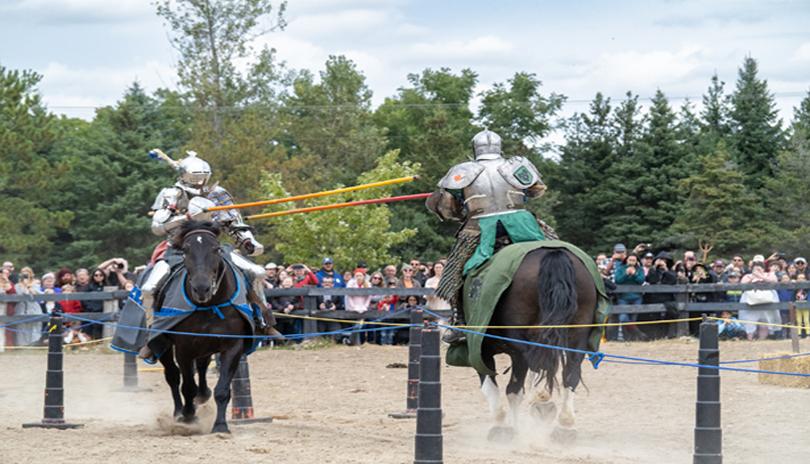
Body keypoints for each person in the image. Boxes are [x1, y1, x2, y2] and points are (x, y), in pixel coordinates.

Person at [138, 149, 280, 361]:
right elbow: (158, 226)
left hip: (214, 248)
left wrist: (248, 242)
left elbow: (234, 223)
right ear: (185, 175)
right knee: (149, 288)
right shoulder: (172, 194)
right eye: (195, 177)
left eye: (203, 177)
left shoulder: (219, 194)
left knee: (257, 272)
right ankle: (153, 335)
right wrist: (185, 217)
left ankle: (264, 322)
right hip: (178, 249)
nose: (200, 181)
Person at [425, 129, 556, 344]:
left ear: (474, 148)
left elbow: (447, 208)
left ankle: (460, 323)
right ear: (499, 146)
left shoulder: (462, 171)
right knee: (558, 246)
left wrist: (461, 209)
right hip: (521, 221)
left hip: (479, 225)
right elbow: (537, 190)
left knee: (454, 272)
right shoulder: (515, 165)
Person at [739, 260, 780, 340]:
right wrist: (753, 277)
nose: (757, 270)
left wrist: (761, 277)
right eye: (755, 269)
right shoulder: (748, 276)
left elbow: (774, 281)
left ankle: (762, 339)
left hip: (767, 300)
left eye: (759, 268)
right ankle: (750, 339)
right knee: (750, 320)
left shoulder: (769, 274)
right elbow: (742, 284)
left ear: (763, 269)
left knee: (765, 321)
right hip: (750, 300)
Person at [614, 254, 647, 341]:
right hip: (623, 297)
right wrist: (626, 274)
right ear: (626, 260)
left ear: (636, 261)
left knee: (633, 319)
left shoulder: (640, 269)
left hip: (637, 297)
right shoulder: (621, 269)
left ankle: (630, 338)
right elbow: (617, 280)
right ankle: (639, 334)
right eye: (630, 260)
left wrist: (635, 274)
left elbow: (641, 280)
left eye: (634, 260)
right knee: (623, 318)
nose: (631, 262)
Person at [14, 267, 43, 346]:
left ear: (31, 274)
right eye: (23, 272)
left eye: (27, 272)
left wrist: (28, 286)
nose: (25, 274)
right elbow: (18, 295)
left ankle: (33, 344)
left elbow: (39, 294)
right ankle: (22, 346)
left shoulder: (35, 284)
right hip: (21, 308)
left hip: (33, 308)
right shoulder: (17, 285)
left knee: (34, 327)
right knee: (21, 328)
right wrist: (23, 286)